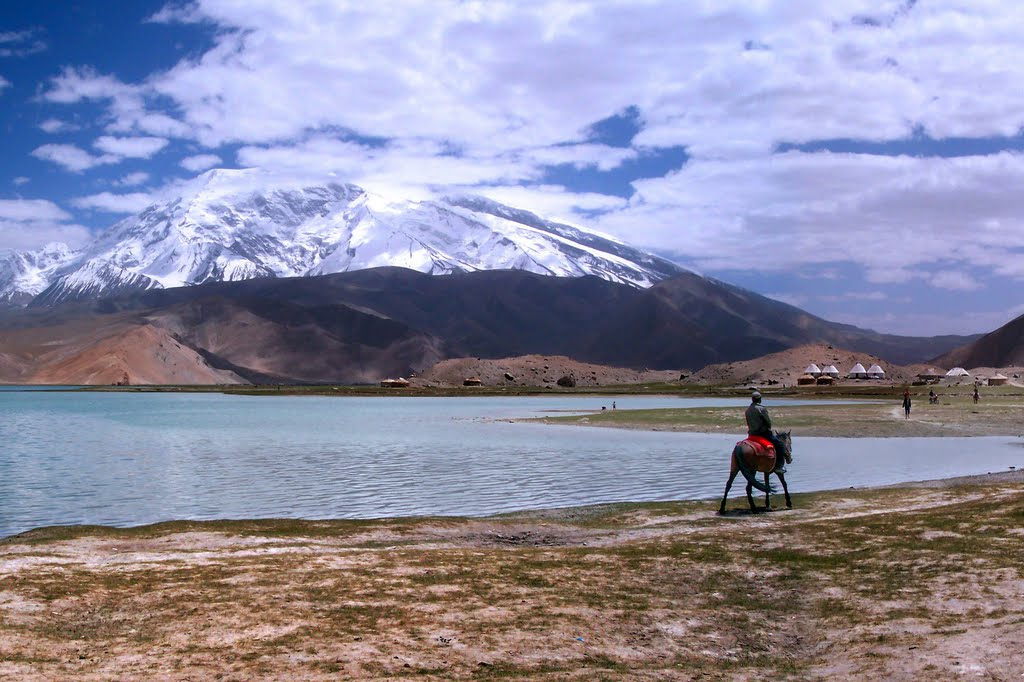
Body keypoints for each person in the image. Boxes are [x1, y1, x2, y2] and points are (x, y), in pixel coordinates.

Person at [745, 392, 785, 457]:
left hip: (751, 434)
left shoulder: (748, 410)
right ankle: (779, 464)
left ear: (752, 399)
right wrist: (768, 427)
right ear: (760, 399)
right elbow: (768, 422)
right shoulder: (761, 409)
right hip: (763, 434)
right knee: (779, 444)